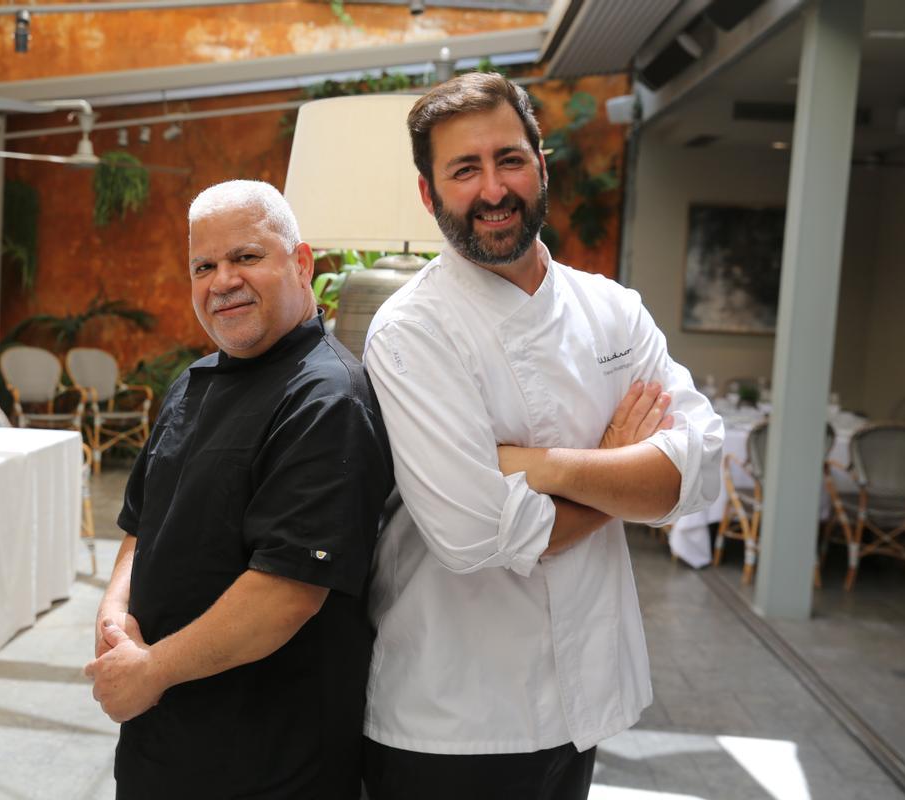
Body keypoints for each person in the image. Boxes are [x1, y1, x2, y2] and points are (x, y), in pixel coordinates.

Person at [361, 72, 724, 799]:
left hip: (582, 703)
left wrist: (537, 466)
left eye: (510, 160)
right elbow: (474, 535)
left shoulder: (612, 310)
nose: (493, 189)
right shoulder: (411, 331)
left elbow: (701, 471)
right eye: (465, 170)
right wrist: (623, 473)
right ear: (430, 196)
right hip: (455, 719)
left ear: (542, 165)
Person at [84, 180, 394, 799]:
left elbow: (286, 592)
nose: (222, 280)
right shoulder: (191, 383)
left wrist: (150, 670)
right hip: (162, 743)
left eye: (246, 257)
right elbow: (142, 523)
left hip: (265, 761)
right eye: (205, 265)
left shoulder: (327, 396)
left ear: (301, 263)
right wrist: (113, 614)